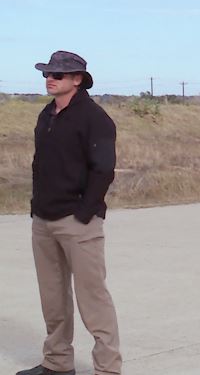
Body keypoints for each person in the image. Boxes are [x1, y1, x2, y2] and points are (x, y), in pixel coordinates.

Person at [18, 51, 121, 375]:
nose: (50, 79)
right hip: (43, 221)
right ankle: (57, 363)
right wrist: (37, 207)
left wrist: (84, 213)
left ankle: (107, 369)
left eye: (58, 75)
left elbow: (103, 169)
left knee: (93, 301)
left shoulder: (95, 119)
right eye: (47, 74)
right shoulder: (46, 115)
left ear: (77, 79)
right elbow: (40, 165)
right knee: (53, 299)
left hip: (78, 223)